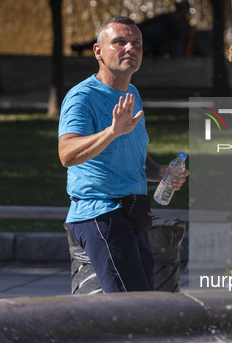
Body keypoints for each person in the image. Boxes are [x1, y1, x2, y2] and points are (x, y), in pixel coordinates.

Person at [58, 16, 188, 293]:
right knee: (133, 308)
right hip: (100, 213)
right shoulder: (82, 97)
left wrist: (161, 172)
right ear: (98, 51)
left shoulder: (132, 93)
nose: (130, 48)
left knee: (143, 304)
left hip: (135, 213)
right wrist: (112, 132)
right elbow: (67, 154)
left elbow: (137, 159)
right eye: (119, 42)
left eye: (136, 43)